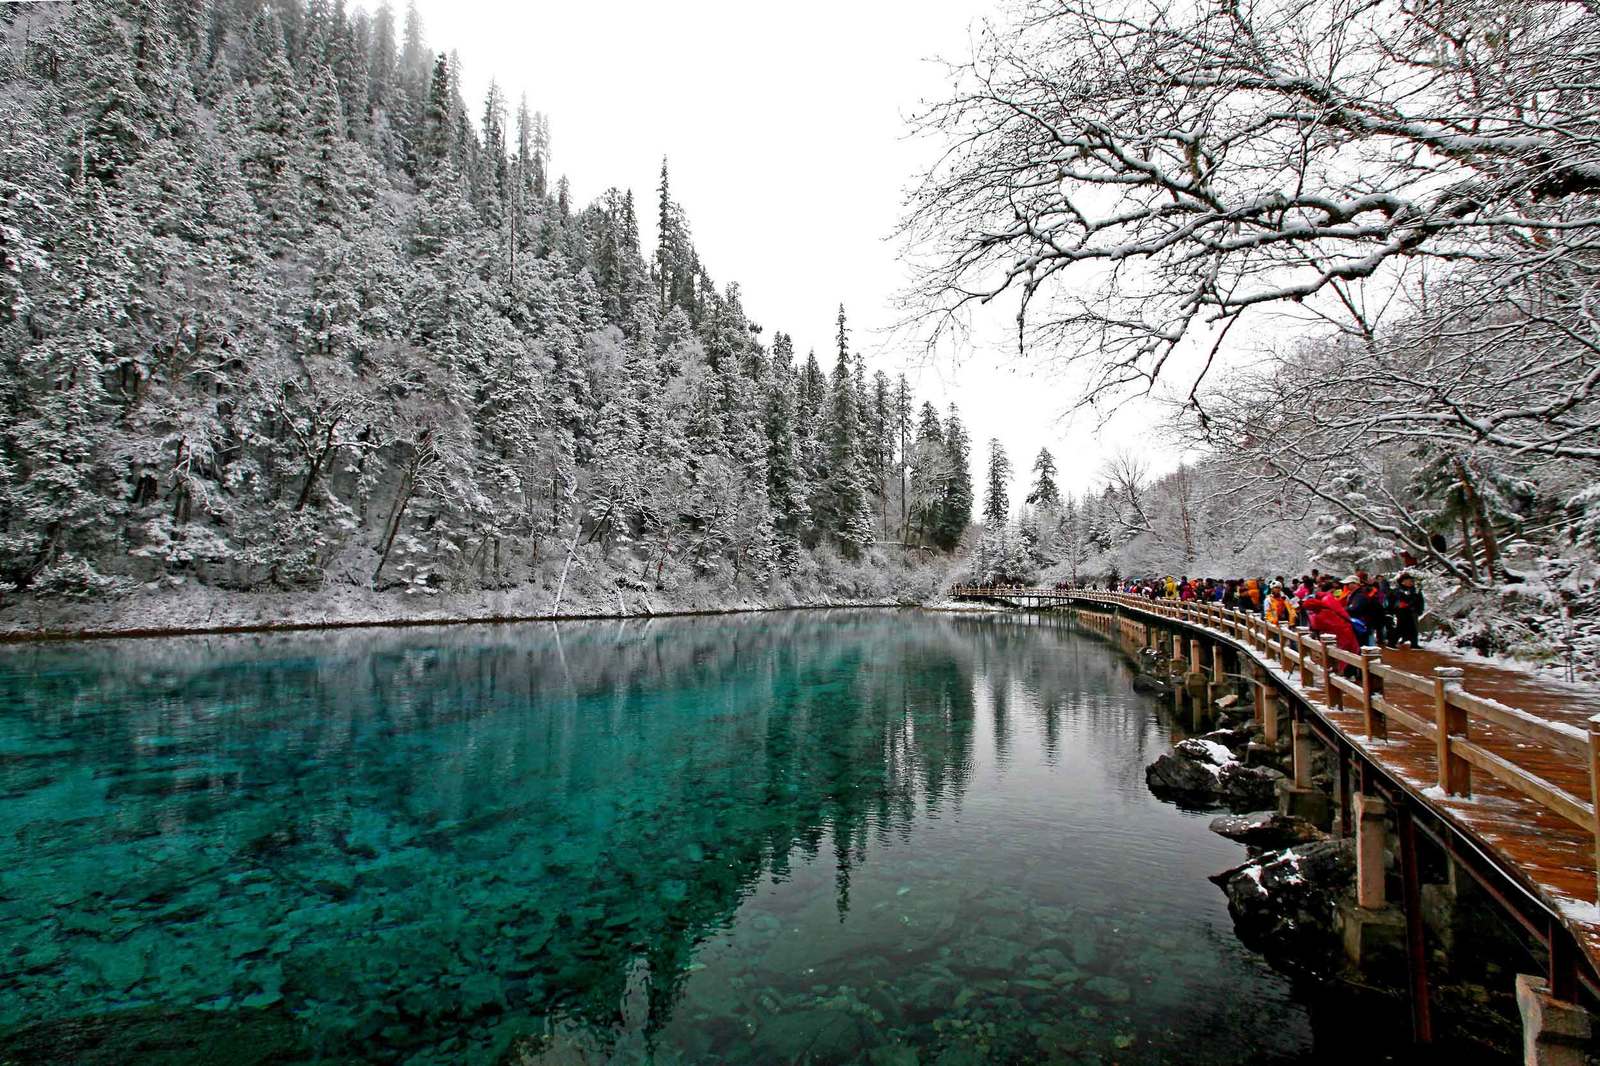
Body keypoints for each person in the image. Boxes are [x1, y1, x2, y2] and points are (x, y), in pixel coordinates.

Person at [1303, 578, 1361, 657]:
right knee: (1349, 654)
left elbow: (1317, 626)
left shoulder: (1322, 611)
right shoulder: (1327, 602)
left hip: (1342, 634)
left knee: (1347, 655)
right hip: (1345, 631)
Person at [1346, 575, 1384, 648]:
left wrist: (1344, 609)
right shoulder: (1356, 594)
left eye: (1348, 584)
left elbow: (1356, 608)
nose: (1346, 586)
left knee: (1368, 645)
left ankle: (1372, 657)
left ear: (1355, 584)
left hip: (1365, 622)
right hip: (1366, 622)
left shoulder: (1360, 595)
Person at [1391, 573, 1425, 649]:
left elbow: (1420, 600)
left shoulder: (1415, 590)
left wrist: (1420, 609)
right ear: (1403, 581)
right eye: (1408, 580)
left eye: (1411, 580)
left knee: (1414, 628)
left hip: (1413, 611)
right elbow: (1397, 601)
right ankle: (1392, 642)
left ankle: (1414, 643)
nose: (1411, 582)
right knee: (1400, 628)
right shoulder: (1398, 590)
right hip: (1402, 612)